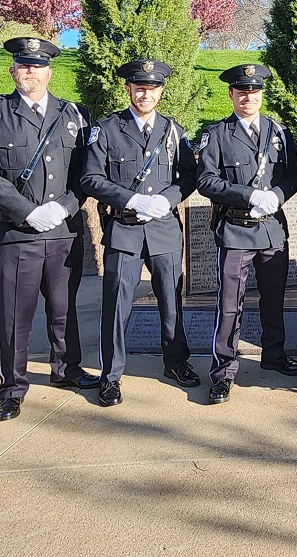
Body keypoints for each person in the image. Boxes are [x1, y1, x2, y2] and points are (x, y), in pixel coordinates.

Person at [0, 37, 98, 422]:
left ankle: (66, 369)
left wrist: (64, 207)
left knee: (64, 310)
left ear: (49, 72)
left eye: (37, 66)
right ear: (13, 71)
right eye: (23, 66)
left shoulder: (74, 114)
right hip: (16, 235)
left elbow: (86, 174)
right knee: (14, 315)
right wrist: (27, 212)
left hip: (63, 232)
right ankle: (12, 386)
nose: (31, 72)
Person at [80, 59, 199, 407]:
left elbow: (188, 176)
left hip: (163, 230)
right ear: (129, 89)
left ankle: (175, 362)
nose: (145, 93)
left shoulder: (173, 131)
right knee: (116, 304)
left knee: (170, 302)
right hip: (124, 230)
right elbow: (90, 178)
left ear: (161, 91)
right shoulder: (107, 129)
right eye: (139, 87)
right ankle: (111, 375)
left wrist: (168, 199)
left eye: (152, 88)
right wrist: (130, 199)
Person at [196, 63, 297, 405]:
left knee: (275, 298)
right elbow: (206, 181)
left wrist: (277, 195)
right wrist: (248, 195)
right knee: (230, 304)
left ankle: (274, 353)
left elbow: (293, 176)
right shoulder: (216, 135)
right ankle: (224, 369)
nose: (248, 97)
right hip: (235, 229)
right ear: (231, 95)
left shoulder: (280, 133)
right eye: (242, 91)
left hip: (271, 228)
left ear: (261, 94)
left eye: (254, 91)